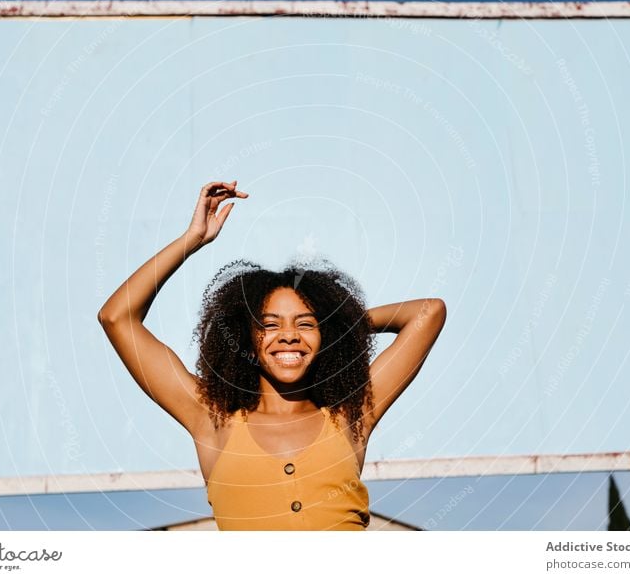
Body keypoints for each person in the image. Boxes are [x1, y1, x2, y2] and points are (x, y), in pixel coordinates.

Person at [98, 180, 447, 530]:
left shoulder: (351, 415)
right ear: (245, 338)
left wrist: (338, 326)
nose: (289, 336)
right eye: (270, 325)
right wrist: (192, 240)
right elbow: (117, 317)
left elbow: (428, 312)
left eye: (305, 324)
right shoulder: (212, 419)